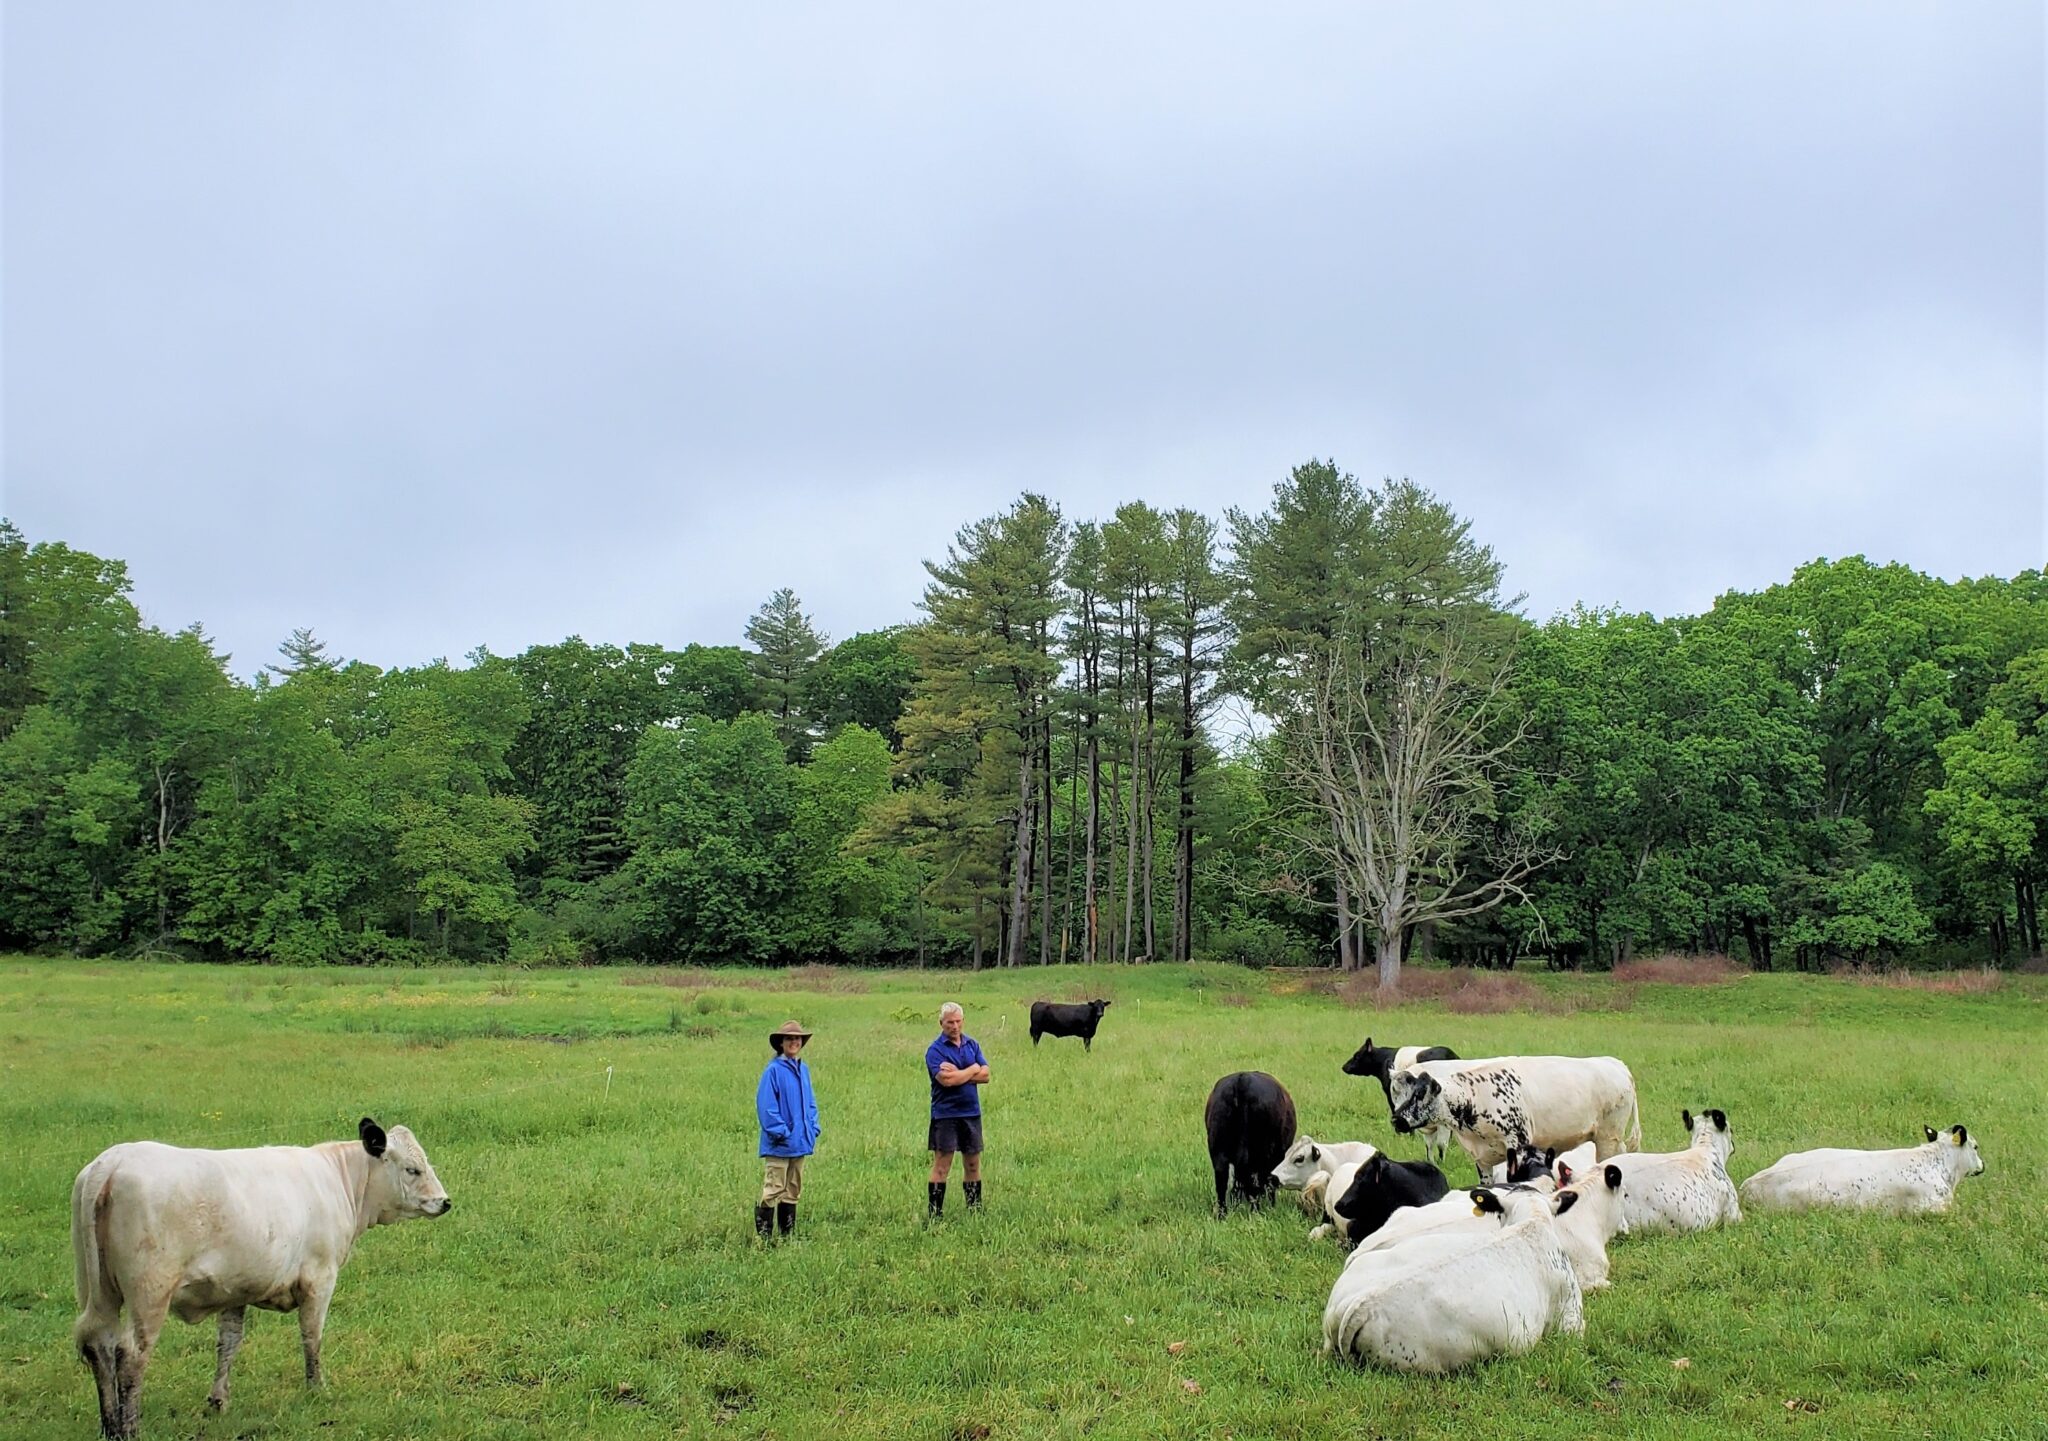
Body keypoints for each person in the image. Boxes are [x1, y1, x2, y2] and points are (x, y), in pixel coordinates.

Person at [755, 1019, 821, 1240]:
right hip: (780, 1144)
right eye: (789, 1038)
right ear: (781, 1043)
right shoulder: (773, 1071)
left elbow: (810, 1103)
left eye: (797, 1038)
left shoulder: (803, 1070)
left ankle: (787, 1236)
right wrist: (782, 1132)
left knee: (793, 1189)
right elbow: (767, 1107)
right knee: (774, 1187)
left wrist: (813, 1127)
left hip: (800, 1142)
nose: (794, 1042)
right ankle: (764, 1240)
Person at [925, 1001, 990, 1218]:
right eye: (950, 1022)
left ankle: (975, 1210)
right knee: (942, 1165)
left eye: (958, 1021)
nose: (955, 1026)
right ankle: (935, 1215)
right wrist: (973, 1069)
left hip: (971, 1112)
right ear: (941, 1023)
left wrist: (961, 1072)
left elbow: (986, 1075)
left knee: (972, 1164)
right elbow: (947, 1081)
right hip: (946, 1114)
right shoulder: (935, 1051)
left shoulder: (972, 1045)